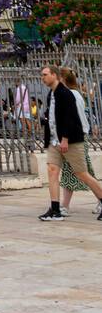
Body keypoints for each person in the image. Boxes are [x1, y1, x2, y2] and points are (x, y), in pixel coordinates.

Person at [39, 64, 102, 221]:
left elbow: (70, 118)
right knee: (52, 171)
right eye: (42, 75)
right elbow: (53, 116)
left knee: (82, 174)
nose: (43, 78)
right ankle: (55, 209)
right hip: (54, 141)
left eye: (45, 75)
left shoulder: (66, 94)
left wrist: (65, 139)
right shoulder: (51, 94)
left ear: (55, 75)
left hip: (71, 141)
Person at [57, 68, 96, 216]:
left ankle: (65, 206)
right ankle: (65, 206)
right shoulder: (76, 94)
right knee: (76, 172)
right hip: (77, 137)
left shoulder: (70, 95)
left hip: (76, 138)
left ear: (63, 80)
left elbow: (73, 118)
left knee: (81, 172)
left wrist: (65, 138)